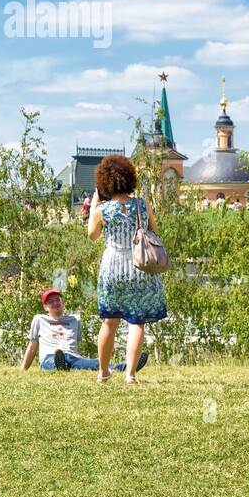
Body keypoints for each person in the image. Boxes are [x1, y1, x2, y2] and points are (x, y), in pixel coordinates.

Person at [88, 155, 166, 384]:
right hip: (138, 266)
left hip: (112, 266)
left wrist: (94, 206)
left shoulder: (103, 210)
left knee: (109, 322)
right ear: (129, 178)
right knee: (137, 321)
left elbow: (92, 237)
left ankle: (103, 373)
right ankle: (130, 374)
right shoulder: (141, 204)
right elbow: (154, 229)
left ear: (104, 183)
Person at [20, 288, 145, 373]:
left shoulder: (75, 319)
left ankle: (127, 367)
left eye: (57, 300)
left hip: (73, 356)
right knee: (53, 362)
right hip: (50, 356)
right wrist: (23, 370)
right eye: (50, 302)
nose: (55, 303)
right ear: (45, 307)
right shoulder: (39, 319)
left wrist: (80, 360)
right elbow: (32, 346)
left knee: (97, 363)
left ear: (63, 303)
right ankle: (59, 366)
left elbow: (75, 343)